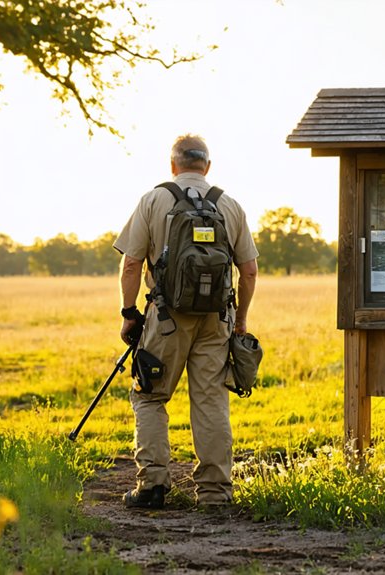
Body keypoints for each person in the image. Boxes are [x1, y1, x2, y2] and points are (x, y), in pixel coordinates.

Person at [114, 134, 258, 509]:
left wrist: (130, 314)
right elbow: (250, 270)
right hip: (216, 320)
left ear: (173, 165)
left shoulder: (153, 199)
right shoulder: (229, 204)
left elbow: (131, 264)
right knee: (211, 401)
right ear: (207, 167)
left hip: (166, 320)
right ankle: (214, 493)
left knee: (150, 395)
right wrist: (239, 320)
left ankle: (153, 486)